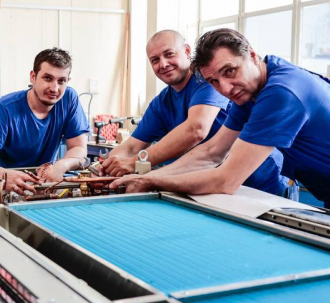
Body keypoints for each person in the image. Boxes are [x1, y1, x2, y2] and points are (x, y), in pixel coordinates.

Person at [112, 28, 330, 230]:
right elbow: (210, 152)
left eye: (230, 71)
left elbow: (225, 180)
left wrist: (152, 179)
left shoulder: (283, 92)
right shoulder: (249, 94)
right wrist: (143, 178)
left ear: (252, 55)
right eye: (213, 82)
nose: (225, 88)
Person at [101, 30, 288, 196]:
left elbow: (196, 130)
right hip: (209, 185)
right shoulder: (162, 103)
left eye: (169, 54)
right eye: (155, 60)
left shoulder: (209, 82)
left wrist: (138, 165)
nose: (163, 64)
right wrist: (104, 168)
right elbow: (210, 153)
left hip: (260, 184)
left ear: (187, 51)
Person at [0, 48, 90, 194]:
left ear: (68, 81)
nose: (54, 88)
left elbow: (79, 148)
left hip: (41, 190)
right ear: (33, 76)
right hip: (1, 192)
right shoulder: (5, 109)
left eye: (61, 81)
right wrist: (3, 175)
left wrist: (61, 165)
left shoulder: (69, 99)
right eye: (47, 78)